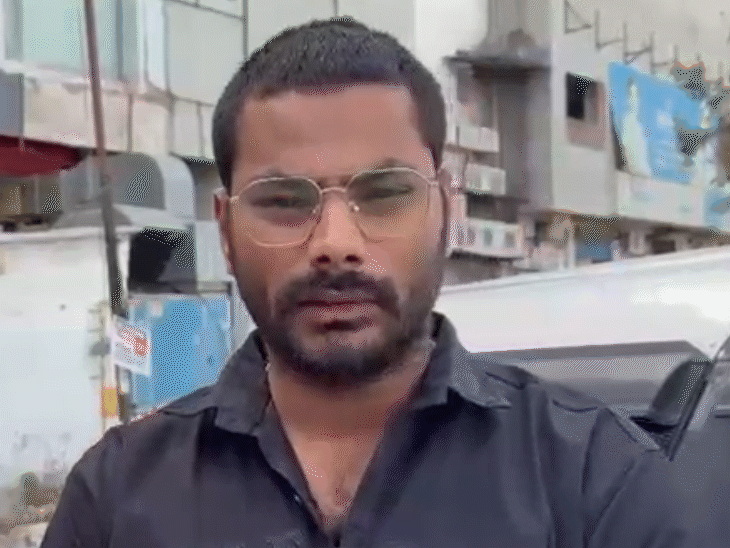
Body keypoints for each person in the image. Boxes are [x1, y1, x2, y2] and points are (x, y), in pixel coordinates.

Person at [42, 17, 695, 548]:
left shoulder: (594, 481)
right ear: (226, 228)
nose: (335, 243)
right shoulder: (117, 496)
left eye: (383, 194)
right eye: (283, 200)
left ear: (449, 209)